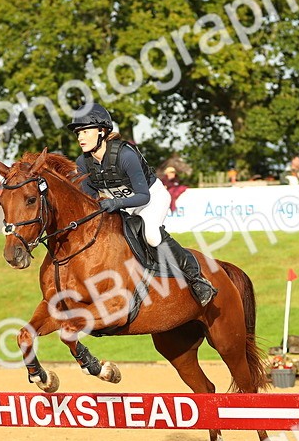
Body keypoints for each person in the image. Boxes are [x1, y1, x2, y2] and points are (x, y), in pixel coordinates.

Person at [67, 104, 216, 306]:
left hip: (151, 198)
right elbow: (91, 198)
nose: (80, 138)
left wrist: (114, 203)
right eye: (78, 133)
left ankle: (197, 278)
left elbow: (143, 196)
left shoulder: (125, 155)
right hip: (122, 205)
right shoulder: (83, 163)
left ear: (102, 131)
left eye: (85, 131)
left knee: (151, 235)